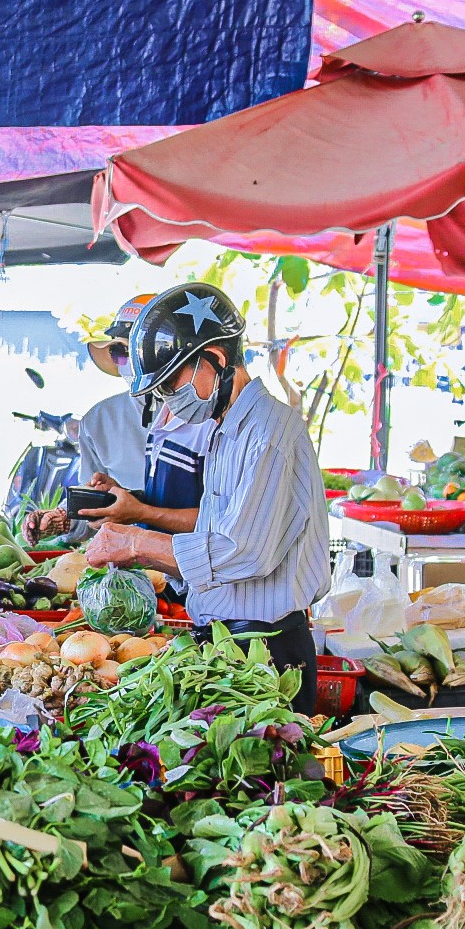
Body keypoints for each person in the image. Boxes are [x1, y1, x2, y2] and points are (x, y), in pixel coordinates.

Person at [83, 282, 330, 712]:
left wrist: (138, 543)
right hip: (229, 643)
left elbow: (242, 552)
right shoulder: (226, 429)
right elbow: (215, 537)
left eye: (170, 382)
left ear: (215, 359)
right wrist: (144, 557)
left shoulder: (267, 433)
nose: (167, 398)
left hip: (265, 650)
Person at [24, 295, 206, 542]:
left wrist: (140, 511)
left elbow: (223, 518)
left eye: (138, 350)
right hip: (128, 558)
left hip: (194, 554)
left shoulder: (205, 415)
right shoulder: (97, 421)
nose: (130, 361)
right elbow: (95, 504)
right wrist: (64, 516)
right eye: (119, 352)